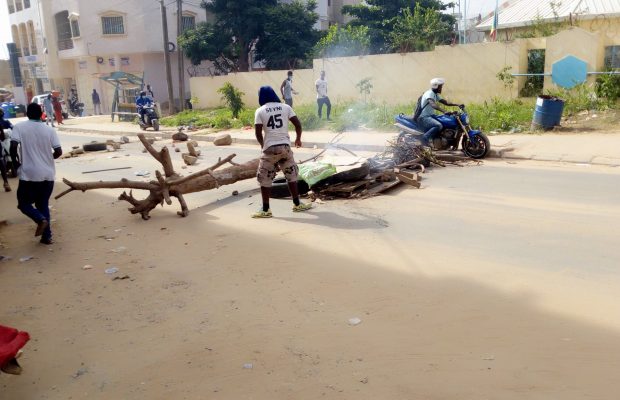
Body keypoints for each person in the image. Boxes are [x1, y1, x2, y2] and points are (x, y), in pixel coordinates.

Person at [252, 86, 312, 218]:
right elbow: (298, 124)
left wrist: (263, 146)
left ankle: (265, 209)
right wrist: (298, 139)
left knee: (264, 178)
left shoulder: (260, 111)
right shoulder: (286, 107)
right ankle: (297, 204)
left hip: (270, 149)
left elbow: (257, 132)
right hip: (285, 147)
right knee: (291, 175)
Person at [9, 103, 63, 245]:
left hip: (29, 175)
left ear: (27, 114)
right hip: (48, 174)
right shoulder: (49, 130)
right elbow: (58, 152)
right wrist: (46, 159)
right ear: (41, 114)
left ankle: (40, 220)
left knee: (23, 204)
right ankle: (47, 237)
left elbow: (13, 147)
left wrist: (15, 163)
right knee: (43, 204)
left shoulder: (19, 127)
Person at [417, 78, 463, 147]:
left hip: (431, 116)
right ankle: (424, 139)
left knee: (445, 121)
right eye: (440, 86)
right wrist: (444, 111)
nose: (441, 88)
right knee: (438, 125)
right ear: (436, 86)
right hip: (423, 117)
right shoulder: (429, 93)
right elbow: (433, 104)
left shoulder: (435, 94)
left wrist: (457, 104)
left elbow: (446, 102)